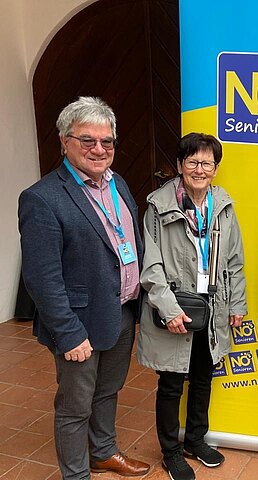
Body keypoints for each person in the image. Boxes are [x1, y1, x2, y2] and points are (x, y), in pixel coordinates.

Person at [18, 97, 150, 479]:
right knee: (75, 406)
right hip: (79, 324)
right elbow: (41, 278)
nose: (99, 149)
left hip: (121, 310)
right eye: (87, 140)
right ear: (65, 141)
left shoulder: (117, 182)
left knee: (108, 390)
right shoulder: (42, 198)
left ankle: (103, 452)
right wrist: (68, 333)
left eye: (107, 141)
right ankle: (76, 474)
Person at [136, 132, 247, 480]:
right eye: (193, 162)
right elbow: (151, 265)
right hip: (175, 305)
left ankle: (195, 440)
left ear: (216, 168)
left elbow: (235, 261)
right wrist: (168, 310)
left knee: (203, 377)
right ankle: (171, 451)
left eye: (207, 163)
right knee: (171, 383)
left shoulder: (223, 206)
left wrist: (237, 303)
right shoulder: (158, 206)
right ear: (180, 165)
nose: (200, 169)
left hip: (212, 307)